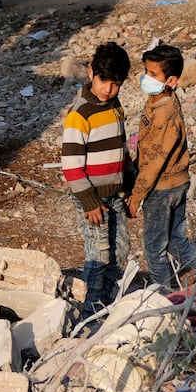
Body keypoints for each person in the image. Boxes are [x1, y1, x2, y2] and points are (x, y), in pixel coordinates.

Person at [62, 42, 132, 320]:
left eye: (115, 84)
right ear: (91, 72)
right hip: (92, 199)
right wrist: (89, 202)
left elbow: (121, 148)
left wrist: (128, 183)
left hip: (115, 194)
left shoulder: (115, 107)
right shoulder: (79, 115)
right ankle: (90, 310)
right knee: (98, 253)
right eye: (104, 81)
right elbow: (71, 165)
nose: (107, 89)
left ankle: (108, 300)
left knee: (120, 249)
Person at [127, 44, 196, 288]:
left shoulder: (165, 112)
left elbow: (155, 161)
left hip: (162, 188)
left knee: (155, 248)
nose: (147, 78)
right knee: (177, 241)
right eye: (146, 72)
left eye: (153, 74)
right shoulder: (159, 99)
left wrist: (137, 196)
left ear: (171, 80)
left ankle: (165, 297)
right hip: (176, 183)